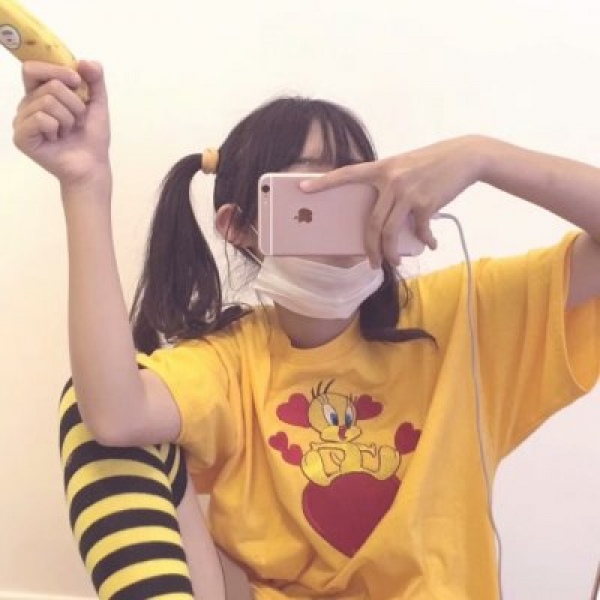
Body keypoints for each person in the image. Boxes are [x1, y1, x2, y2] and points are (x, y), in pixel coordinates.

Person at [12, 59, 600, 600]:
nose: (351, 208)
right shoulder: (232, 363)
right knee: (89, 411)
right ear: (241, 227)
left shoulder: (461, 319)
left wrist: (482, 156)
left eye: (364, 184)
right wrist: (85, 185)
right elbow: (113, 413)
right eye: (317, 190)